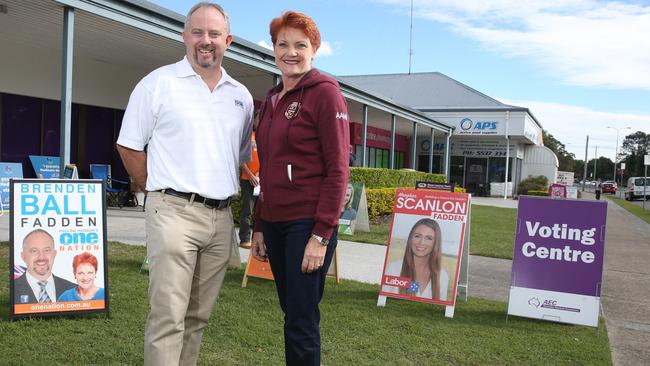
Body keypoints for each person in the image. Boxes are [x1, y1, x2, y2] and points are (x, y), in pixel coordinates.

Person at [116, 2, 254, 365]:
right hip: (173, 212)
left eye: (213, 34)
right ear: (183, 36)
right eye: (197, 32)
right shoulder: (158, 83)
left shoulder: (240, 96)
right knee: (168, 317)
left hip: (221, 218)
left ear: (228, 40)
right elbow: (129, 144)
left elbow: (237, 155)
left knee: (197, 319)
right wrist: (156, 190)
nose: (205, 41)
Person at [250, 11, 349, 366]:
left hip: (307, 225)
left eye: (300, 45)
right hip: (275, 224)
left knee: (301, 319)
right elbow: (269, 170)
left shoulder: (325, 95)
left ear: (314, 50)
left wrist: (321, 235)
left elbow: (338, 170)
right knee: (291, 312)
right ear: (274, 49)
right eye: (283, 44)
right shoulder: (273, 99)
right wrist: (260, 224)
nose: (290, 52)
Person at [383, 218, 449, 301]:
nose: (421, 242)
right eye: (417, 236)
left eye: (429, 238)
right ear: (410, 238)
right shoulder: (394, 268)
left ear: (436, 243)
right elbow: (384, 298)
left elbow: (440, 307)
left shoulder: (442, 276)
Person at [14, 229, 75, 304]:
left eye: (46, 250)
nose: (41, 257)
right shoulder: (13, 289)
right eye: (34, 251)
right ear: (23, 256)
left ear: (54, 254)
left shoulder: (73, 290)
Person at [239, 112, 260, 249]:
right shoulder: (248, 137)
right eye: (259, 118)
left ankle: (257, 240)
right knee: (247, 210)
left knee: (260, 213)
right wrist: (251, 175)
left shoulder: (266, 137)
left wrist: (259, 174)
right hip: (248, 179)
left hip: (260, 180)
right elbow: (241, 159)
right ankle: (245, 239)